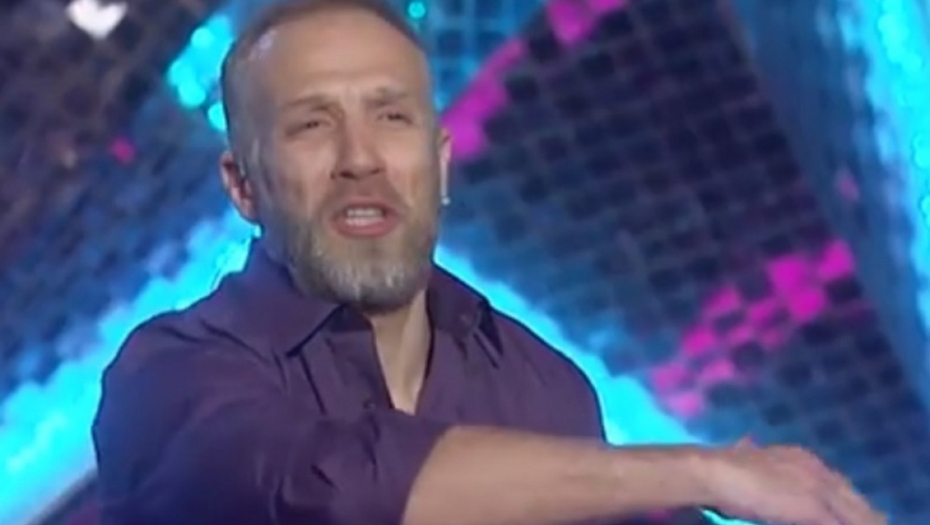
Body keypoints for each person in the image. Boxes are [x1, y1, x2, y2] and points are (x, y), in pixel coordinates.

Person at [91, 1, 887, 525]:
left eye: (392, 117)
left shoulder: (540, 385)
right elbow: (330, 492)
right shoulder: (168, 376)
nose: (360, 158)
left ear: (438, 162)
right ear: (243, 185)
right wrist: (707, 470)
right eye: (311, 125)